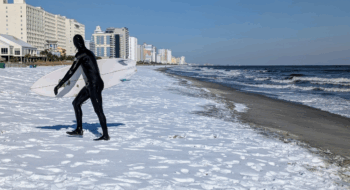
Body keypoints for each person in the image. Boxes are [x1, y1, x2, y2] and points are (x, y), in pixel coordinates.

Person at [54, 34, 110, 141]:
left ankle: (105, 135)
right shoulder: (90, 52)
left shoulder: (81, 54)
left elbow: (71, 71)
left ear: (76, 43)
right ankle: (79, 129)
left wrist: (60, 84)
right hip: (91, 84)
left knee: (98, 110)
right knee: (76, 103)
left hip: (95, 85)